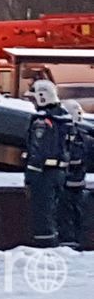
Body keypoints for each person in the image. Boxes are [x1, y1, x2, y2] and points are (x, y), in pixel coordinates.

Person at [24, 79, 72, 247]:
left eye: (34, 98)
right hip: (60, 174)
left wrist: (30, 176)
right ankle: (55, 241)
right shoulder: (64, 118)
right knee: (55, 211)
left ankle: (44, 246)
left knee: (42, 212)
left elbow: (38, 151)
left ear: (42, 97)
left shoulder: (42, 122)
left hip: (43, 174)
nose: (33, 103)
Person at [58, 100, 90, 248]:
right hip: (78, 184)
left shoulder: (66, 136)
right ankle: (75, 240)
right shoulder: (85, 137)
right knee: (77, 215)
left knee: (66, 215)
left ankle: (69, 241)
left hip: (66, 185)